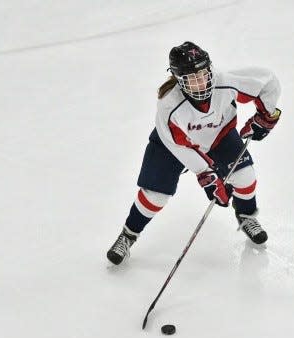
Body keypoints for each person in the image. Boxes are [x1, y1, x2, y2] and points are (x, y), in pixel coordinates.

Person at [107, 41, 281, 265]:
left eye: (203, 74)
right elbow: (179, 146)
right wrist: (207, 175)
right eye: (192, 79)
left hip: (219, 136)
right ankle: (128, 234)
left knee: (245, 176)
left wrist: (266, 116)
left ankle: (246, 216)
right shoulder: (169, 105)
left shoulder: (225, 83)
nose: (201, 82)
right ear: (180, 81)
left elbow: (268, 80)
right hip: (172, 146)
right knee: (155, 196)